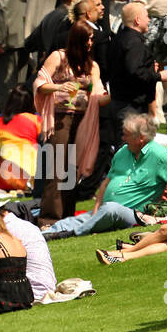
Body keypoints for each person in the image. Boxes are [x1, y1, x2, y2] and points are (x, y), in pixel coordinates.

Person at [41, 112, 167, 239]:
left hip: (136, 214)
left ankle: (74, 233)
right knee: (66, 222)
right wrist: (96, 209)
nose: (122, 137)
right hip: (105, 210)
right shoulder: (123, 151)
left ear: (141, 138)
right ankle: (43, 236)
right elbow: (106, 184)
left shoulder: (161, 156)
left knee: (112, 209)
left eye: (126, 134)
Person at [34, 21, 107, 223]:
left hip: (83, 120)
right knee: (56, 169)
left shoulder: (92, 65)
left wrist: (114, 95)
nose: (91, 42)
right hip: (60, 118)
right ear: (78, 39)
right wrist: (58, 88)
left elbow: (98, 92)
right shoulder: (59, 57)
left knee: (72, 170)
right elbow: (40, 83)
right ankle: (48, 220)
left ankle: (66, 216)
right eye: (88, 38)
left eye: (92, 38)